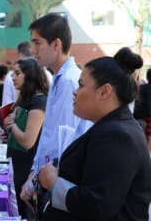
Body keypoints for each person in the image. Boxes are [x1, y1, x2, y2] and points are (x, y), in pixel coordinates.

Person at [37, 54, 151, 220]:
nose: (75, 92)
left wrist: (54, 183)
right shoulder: (110, 128)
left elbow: (98, 204)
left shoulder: (118, 136)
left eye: (81, 85)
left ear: (105, 91)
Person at [20, 13, 92, 217]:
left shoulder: (70, 82)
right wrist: (33, 175)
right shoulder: (58, 79)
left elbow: (63, 142)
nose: (33, 51)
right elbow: (47, 136)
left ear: (56, 44)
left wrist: (36, 180)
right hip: (47, 179)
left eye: (37, 43)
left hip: (59, 182)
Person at [3, 58, 48, 219]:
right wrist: (9, 132)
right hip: (17, 164)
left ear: (29, 75)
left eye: (17, 73)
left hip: (26, 167)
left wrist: (12, 126)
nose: (13, 77)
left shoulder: (39, 102)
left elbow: (28, 141)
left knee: (25, 213)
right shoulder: (26, 99)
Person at [134, 68, 151, 151]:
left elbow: (137, 100)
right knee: (149, 135)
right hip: (147, 115)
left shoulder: (141, 87)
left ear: (147, 77)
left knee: (144, 134)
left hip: (141, 114)